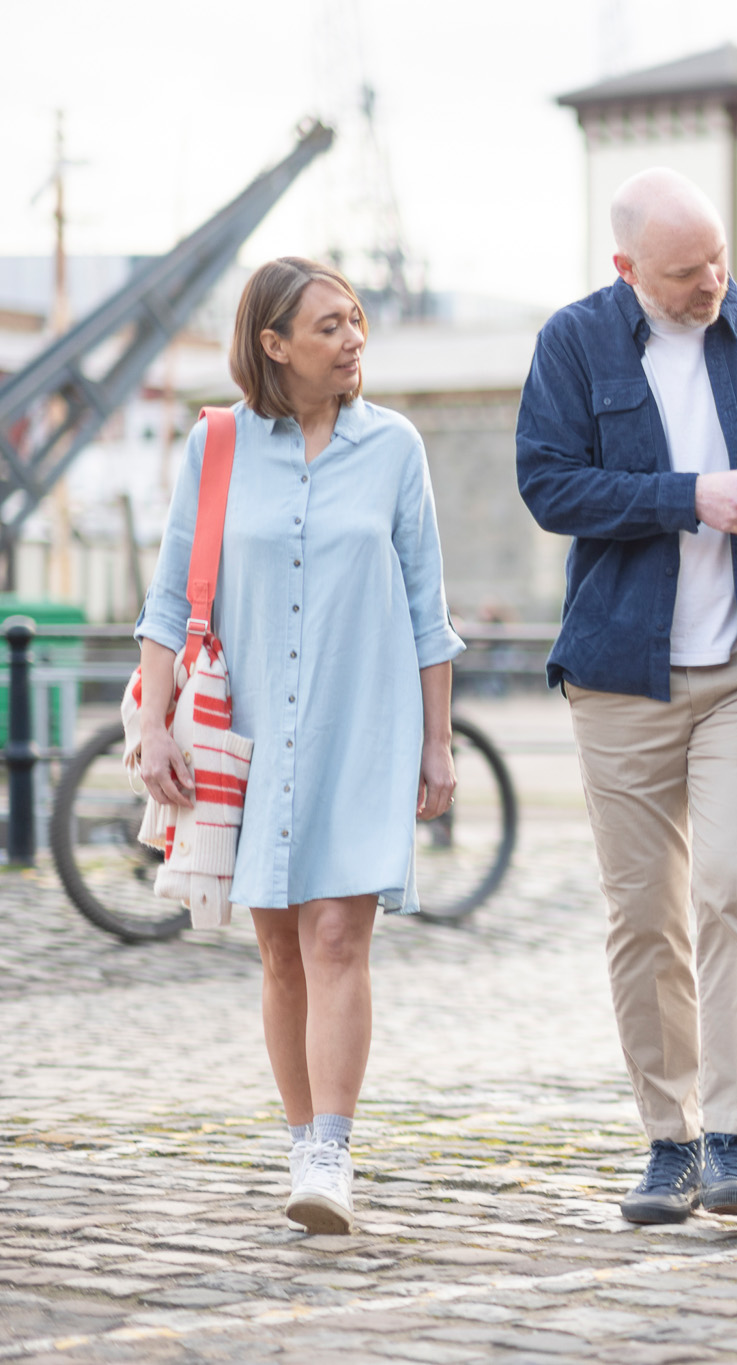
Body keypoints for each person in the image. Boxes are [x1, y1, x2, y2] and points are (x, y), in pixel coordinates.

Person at [516, 169, 737, 1224]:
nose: (712, 281)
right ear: (626, 270)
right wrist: (684, 497)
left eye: (716, 259)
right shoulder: (572, 345)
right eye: (684, 271)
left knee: (735, 886)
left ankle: (735, 1134)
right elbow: (547, 484)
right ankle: (668, 1141)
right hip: (622, 672)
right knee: (643, 915)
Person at [134, 257, 465, 1234]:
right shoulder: (218, 449)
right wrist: (153, 724)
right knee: (278, 947)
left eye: (356, 321)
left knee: (335, 934)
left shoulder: (396, 447)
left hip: (365, 722)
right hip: (250, 734)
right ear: (272, 345)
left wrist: (437, 744)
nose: (352, 338)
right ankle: (296, 1139)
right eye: (329, 326)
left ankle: (331, 1150)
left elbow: (426, 606)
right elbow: (166, 599)